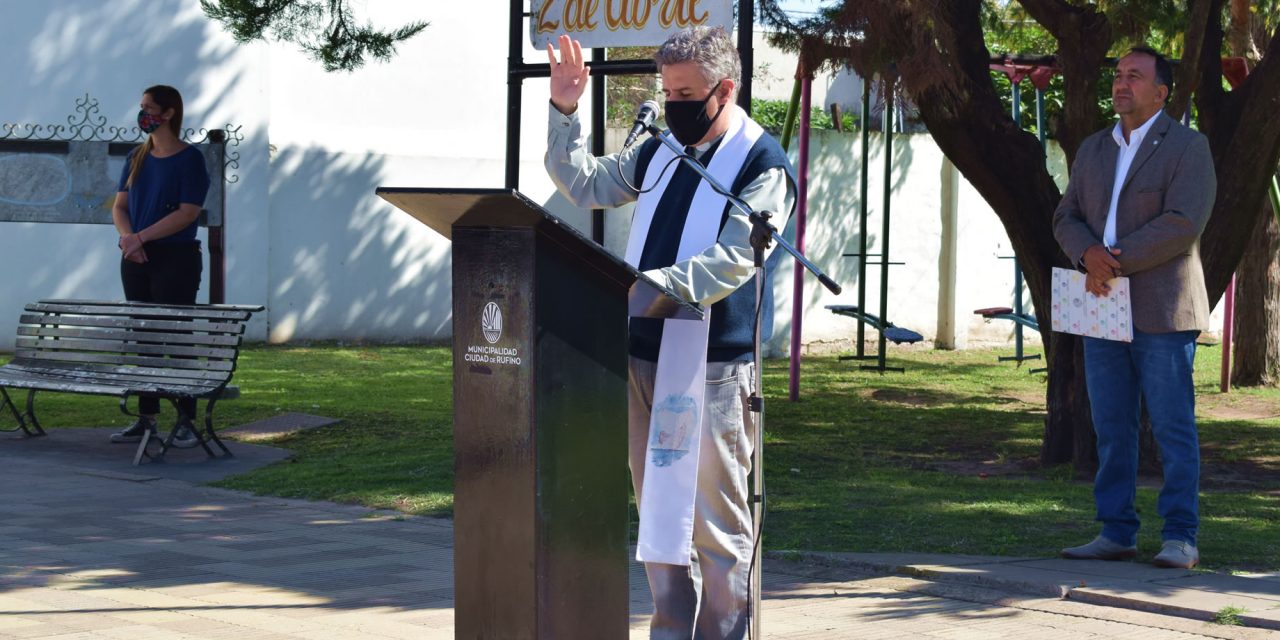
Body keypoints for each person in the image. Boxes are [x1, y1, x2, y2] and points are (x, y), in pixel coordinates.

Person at [545, 27, 796, 639]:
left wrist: (641, 288)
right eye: (667, 89)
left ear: (724, 90)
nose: (672, 103)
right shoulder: (661, 150)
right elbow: (585, 183)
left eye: (685, 92)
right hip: (641, 355)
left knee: (714, 522)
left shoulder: (763, 164)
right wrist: (565, 110)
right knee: (658, 514)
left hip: (711, 365)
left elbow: (735, 258)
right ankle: (667, 630)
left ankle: (719, 633)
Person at [1053, 47, 1216, 570]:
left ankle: (1181, 537)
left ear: (1161, 92)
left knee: (1171, 426)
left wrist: (1111, 262)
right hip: (1101, 309)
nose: (1122, 84)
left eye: (1135, 77)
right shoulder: (1094, 148)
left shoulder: (1189, 147)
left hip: (1161, 310)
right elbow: (1066, 214)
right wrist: (1086, 254)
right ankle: (1117, 531)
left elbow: (1182, 222)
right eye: (1118, 74)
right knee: (1112, 424)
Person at [109, 85, 211, 448]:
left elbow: (187, 213)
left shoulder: (190, 159)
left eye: (149, 108)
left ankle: (187, 418)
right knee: (145, 339)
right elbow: (120, 207)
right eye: (141, 107)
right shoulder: (137, 156)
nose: (143, 114)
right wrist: (128, 239)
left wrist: (142, 237)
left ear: (168, 113)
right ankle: (146, 417)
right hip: (136, 259)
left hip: (176, 259)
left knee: (177, 339)